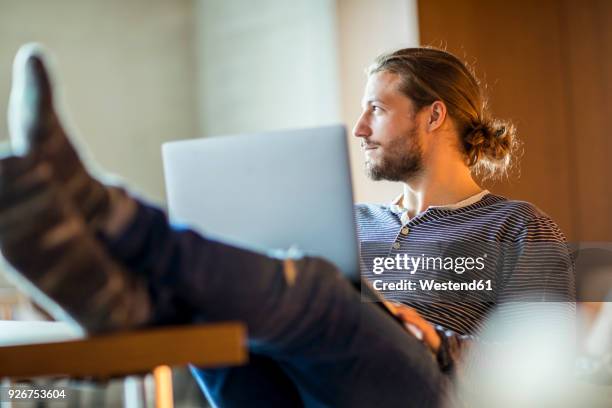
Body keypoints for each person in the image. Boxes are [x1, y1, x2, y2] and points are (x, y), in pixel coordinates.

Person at [0, 44, 574, 407]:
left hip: (429, 388)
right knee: (235, 306)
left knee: (320, 288)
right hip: (292, 382)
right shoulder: (351, 222)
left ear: (434, 115)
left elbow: (547, 362)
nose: (359, 127)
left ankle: (105, 214)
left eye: (377, 107)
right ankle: (119, 293)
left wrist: (433, 333)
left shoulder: (519, 227)